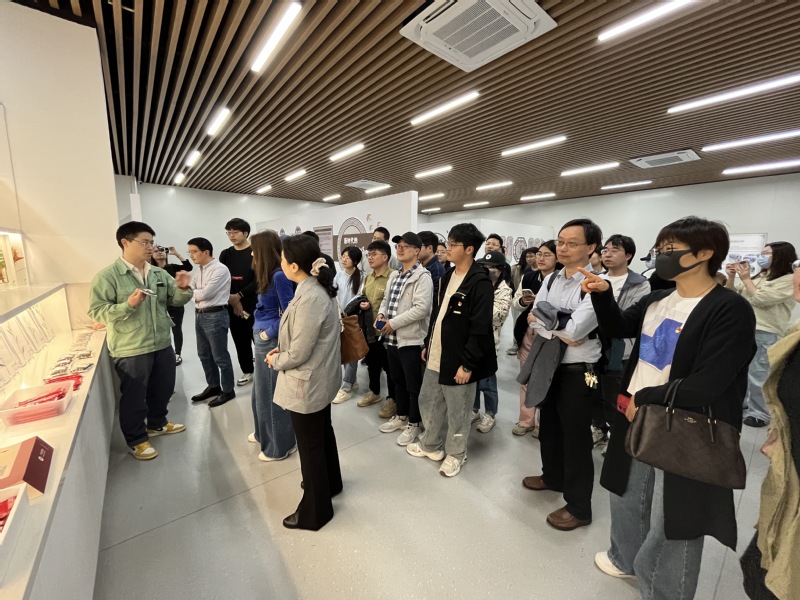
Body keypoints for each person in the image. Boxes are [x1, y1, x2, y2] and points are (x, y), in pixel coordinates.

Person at [582, 216, 756, 599]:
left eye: (670, 250)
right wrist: (602, 294)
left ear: (705, 253)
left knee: (674, 517)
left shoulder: (729, 309)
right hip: (635, 413)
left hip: (685, 424)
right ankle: (625, 558)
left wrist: (645, 398)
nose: (662, 256)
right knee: (627, 493)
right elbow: (619, 327)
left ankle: (665, 591)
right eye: (659, 249)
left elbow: (709, 382)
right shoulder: (659, 299)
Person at [519, 219, 605, 531]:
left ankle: (580, 508)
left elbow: (576, 330)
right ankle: (552, 477)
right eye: (560, 242)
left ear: (591, 247)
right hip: (549, 363)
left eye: (572, 243)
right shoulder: (554, 278)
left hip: (577, 369)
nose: (563, 248)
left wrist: (552, 323)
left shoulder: (597, 284)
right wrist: (557, 323)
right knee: (550, 426)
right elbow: (533, 317)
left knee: (576, 438)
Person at [89, 222, 192, 460]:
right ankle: (136, 440)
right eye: (144, 242)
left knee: (163, 388)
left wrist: (183, 288)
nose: (150, 247)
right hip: (131, 347)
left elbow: (174, 300)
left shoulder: (157, 273)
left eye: (152, 242)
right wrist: (128, 305)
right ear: (125, 242)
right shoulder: (107, 276)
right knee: (135, 396)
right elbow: (97, 312)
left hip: (161, 342)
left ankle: (157, 423)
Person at [407, 223, 496, 477]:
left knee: (459, 410)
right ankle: (430, 444)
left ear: (469, 249)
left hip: (460, 358)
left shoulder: (480, 282)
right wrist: (428, 343)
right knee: (428, 400)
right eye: (448, 242)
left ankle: (456, 453)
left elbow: (480, 328)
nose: (447, 248)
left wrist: (467, 365)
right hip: (437, 352)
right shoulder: (447, 276)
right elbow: (438, 314)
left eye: (453, 244)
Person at [267, 235, 342, 531]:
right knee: (321, 435)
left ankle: (315, 512)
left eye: (283, 259)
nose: (280, 264)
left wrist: (276, 360)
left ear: (295, 265)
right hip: (319, 378)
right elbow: (303, 339)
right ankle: (330, 484)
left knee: (310, 447)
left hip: (308, 383)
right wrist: (281, 350)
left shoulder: (311, 296)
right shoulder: (313, 288)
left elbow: (299, 352)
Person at [741, 258, 800, 600]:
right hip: (789, 472)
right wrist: (781, 429)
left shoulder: (778, 283)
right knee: (759, 568)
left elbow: (760, 298)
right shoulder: (797, 333)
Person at [726, 241, 797, 427]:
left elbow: (761, 298)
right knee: (740, 370)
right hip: (745, 328)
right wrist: (731, 277)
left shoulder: (789, 279)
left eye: (766, 253)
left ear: (780, 256)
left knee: (759, 373)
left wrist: (746, 279)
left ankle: (760, 413)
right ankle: (743, 402)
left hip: (767, 330)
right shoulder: (762, 276)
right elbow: (733, 294)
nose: (761, 256)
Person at [375, 231, 433, 446]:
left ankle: (414, 422)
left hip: (411, 340)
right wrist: (381, 315)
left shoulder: (423, 277)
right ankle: (401, 416)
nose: (400, 249)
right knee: (397, 380)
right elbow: (386, 300)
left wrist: (393, 323)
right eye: (398, 245)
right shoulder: (395, 275)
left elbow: (421, 309)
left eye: (405, 246)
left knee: (413, 385)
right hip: (391, 339)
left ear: (417, 251)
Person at [594, 235, 650, 451]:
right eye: (605, 250)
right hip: (592, 348)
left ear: (628, 255)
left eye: (614, 250)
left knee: (614, 396)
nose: (607, 254)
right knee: (593, 391)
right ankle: (598, 428)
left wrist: (604, 302)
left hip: (619, 351)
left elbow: (627, 319)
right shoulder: (596, 278)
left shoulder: (639, 283)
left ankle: (616, 436)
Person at [250, 231, 296, 461]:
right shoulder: (269, 274)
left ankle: (279, 446)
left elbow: (290, 311)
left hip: (268, 339)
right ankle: (263, 434)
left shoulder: (278, 276)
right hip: (262, 336)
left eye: (254, 250)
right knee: (259, 392)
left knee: (270, 394)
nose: (251, 254)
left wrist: (268, 333)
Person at [511, 240, 560, 437]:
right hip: (528, 332)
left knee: (546, 379)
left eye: (547, 255)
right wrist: (524, 301)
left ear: (557, 258)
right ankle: (526, 420)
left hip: (550, 335)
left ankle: (542, 423)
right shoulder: (529, 276)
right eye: (539, 254)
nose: (540, 258)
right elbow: (516, 302)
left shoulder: (561, 279)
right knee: (526, 376)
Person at [187, 237, 236, 407]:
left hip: (215, 315)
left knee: (220, 356)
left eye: (194, 251)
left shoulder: (220, 269)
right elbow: (189, 290)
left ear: (206, 252)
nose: (191, 255)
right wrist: (193, 292)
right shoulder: (199, 270)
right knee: (204, 354)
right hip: (200, 315)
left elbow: (203, 294)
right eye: (189, 252)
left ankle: (228, 390)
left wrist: (194, 292)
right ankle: (214, 386)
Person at [472, 250, 512, 433]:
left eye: (491, 267)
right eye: (484, 266)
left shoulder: (505, 291)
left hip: (489, 343)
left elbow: (497, 316)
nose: (487, 269)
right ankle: (474, 410)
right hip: (472, 340)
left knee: (487, 382)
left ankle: (490, 414)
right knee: (472, 379)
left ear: (501, 270)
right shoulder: (479, 284)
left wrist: (478, 305)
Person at [357, 240, 397, 417]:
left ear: (385, 257)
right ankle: (374, 392)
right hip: (370, 330)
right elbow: (362, 296)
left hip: (387, 332)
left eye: (374, 254)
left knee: (389, 368)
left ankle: (392, 399)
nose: (370, 258)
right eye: (369, 254)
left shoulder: (393, 276)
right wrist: (363, 303)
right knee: (372, 363)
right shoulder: (368, 277)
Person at [219, 218, 257, 386]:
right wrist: (233, 300)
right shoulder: (226, 254)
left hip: (254, 303)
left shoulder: (255, 252)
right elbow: (222, 279)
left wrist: (240, 295)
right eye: (229, 232)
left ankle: (268, 370)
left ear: (245, 233)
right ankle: (248, 370)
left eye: (235, 232)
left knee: (258, 337)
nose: (231, 236)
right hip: (232, 303)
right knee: (240, 338)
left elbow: (259, 279)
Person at [332, 246, 365, 404]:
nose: (344, 259)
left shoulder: (363, 277)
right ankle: (352, 381)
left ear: (356, 260)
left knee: (352, 352)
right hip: (339, 319)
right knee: (344, 350)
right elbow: (333, 295)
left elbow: (360, 297)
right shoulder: (338, 276)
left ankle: (346, 387)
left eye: (348, 257)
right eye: (343, 256)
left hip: (353, 319)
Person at [150, 244, 192, 365]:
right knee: (159, 330)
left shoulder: (173, 267)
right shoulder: (150, 269)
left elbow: (188, 267)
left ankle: (177, 354)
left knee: (176, 329)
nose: (159, 252)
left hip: (175, 305)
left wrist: (176, 253)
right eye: (156, 251)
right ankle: (162, 354)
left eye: (162, 250)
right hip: (158, 305)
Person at [507, 247, 538, 355]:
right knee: (517, 322)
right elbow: (510, 283)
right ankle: (516, 344)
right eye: (527, 256)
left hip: (534, 306)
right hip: (519, 300)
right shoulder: (518, 269)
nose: (529, 259)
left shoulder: (546, 273)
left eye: (531, 256)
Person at [418, 230, 446, 300]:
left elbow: (435, 298)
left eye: (419, 246)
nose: (416, 250)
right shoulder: (419, 266)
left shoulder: (437, 269)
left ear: (430, 248)